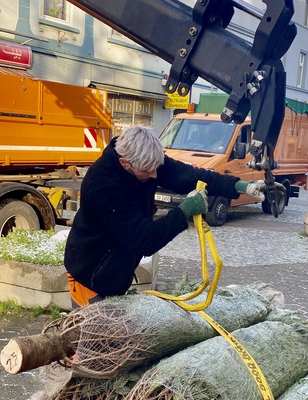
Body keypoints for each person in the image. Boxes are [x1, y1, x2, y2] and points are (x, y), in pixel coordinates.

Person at [64, 126, 268, 307]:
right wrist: (184, 211)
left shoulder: (146, 161)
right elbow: (144, 240)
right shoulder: (102, 185)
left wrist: (238, 186)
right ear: (125, 162)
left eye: (156, 167)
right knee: (97, 337)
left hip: (115, 270)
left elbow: (189, 175)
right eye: (147, 170)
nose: (155, 175)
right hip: (90, 276)